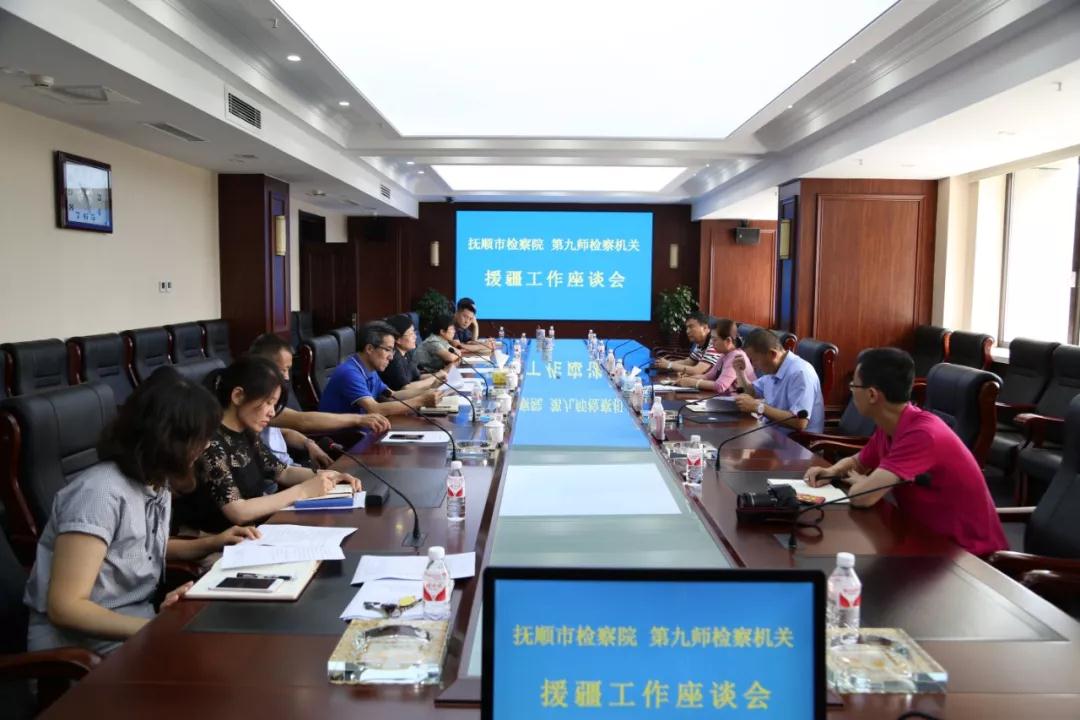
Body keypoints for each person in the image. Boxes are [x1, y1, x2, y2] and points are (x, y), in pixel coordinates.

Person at [23, 370, 260, 655]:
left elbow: (136, 549)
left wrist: (214, 542)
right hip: (79, 647)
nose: (207, 445)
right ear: (169, 440)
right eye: (200, 437)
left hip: (134, 623)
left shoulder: (155, 481)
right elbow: (66, 608)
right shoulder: (99, 493)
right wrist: (155, 627)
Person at [804, 348, 1007, 556]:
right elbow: (858, 462)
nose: (851, 391)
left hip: (966, 556)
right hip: (924, 539)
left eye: (854, 385)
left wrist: (863, 484)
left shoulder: (922, 435)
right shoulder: (892, 424)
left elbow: (862, 498)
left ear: (872, 395)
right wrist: (833, 472)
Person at [175, 357, 359, 533]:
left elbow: (282, 472)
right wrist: (303, 491)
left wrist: (329, 476)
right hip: (220, 542)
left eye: (275, 404)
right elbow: (238, 511)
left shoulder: (246, 432)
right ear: (238, 396)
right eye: (268, 403)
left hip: (256, 532)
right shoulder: (210, 442)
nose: (272, 413)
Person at [248, 333, 391, 466]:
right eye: (282, 370)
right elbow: (301, 421)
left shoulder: (271, 397)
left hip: (290, 469)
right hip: (280, 477)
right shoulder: (255, 403)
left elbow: (283, 431)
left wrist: (308, 443)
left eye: (288, 370)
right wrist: (358, 419)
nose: (286, 377)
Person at [319, 321, 441, 416]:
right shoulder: (349, 373)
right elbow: (374, 409)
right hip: (346, 437)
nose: (391, 357)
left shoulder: (369, 369)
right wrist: (420, 401)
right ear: (369, 349)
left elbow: (392, 395)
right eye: (387, 350)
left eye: (392, 351)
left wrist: (430, 389)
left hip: (365, 430)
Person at [732, 328, 824, 433]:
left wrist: (758, 407)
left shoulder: (800, 373)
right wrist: (740, 372)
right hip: (770, 432)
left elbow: (799, 422)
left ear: (772, 354)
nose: (753, 366)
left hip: (796, 440)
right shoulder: (773, 369)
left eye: (754, 360)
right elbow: (750, 393)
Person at [675, 318, 756, 393]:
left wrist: (694, 383)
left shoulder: (736, 356)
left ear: (728, 341)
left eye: (714, 339)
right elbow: (708, 376)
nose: (711, 343)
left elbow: (721, 386)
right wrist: (688, 379)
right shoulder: (725, 355)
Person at [379, 314, 447, 393]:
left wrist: (439, 375)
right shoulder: (394, 358)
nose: (415, 336)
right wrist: (435, 378)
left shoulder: (408, 353)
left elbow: (418, 377)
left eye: (414, 332)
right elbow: (406, 388)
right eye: (411, 334)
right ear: (398, 339)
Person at [659, 312, 720, 377]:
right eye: (687, 328)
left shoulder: (714, 345)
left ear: (705, 328)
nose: (687, 331)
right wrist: (663, 364)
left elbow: (698, 370)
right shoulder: (700, 344)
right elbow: (689, 362)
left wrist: (669, 365)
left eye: (691, 327)